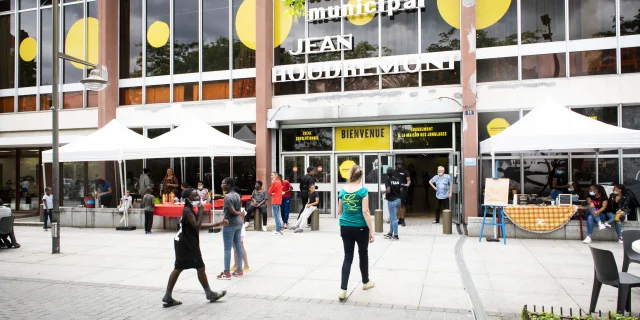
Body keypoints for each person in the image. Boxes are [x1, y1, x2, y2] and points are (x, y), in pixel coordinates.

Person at [162, 188, 228, 307]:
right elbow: (197, 226)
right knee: (199, 267)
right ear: (187, 199)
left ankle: (168, 295)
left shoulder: (189, 210)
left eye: (197, 196)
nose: (198, 198)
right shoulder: (188, 211)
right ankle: (209, 293)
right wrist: (202, 211)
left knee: (179, 267)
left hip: (183, 242)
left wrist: (217, 224)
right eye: (194, 197)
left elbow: (197, 225)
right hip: (187, 244)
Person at [337, 165, 375, 302]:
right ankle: (365, 282)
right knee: (363, 254)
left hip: (345, 226)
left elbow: (339, 211)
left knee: (348, 257)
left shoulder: (342, 190)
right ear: (361, 176)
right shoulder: (363, 191)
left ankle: (343, 289)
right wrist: (371, 230)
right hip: (360, 227)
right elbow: (366, 211)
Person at [217, 177, 244, 280]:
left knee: (227, 249)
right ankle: (239, 270)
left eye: (223, 184)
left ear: (228, 185)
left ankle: (226, 272)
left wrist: (238, 213)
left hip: (229, 224)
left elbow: (233, 211)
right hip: (238, 223)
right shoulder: (237, 195)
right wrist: (239, 214)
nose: (221, 185)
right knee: (238, 246)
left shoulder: (227, 197)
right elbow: (238, 209)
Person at [384, 169, 402, 240]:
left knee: (394, 219)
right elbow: (401, 189)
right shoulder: (398, 179)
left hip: (392, 201)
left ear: (387, 174)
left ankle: (396, 235)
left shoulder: (388, 180)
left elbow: (388, 190)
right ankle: (390, 233)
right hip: (398, 200)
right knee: (392, 217)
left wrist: (383, 192)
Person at [395, 159, 411, 227]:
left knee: (402, 205)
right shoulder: (394, 172)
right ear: (396, 165)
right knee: (397, 205)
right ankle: (399, 219)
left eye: (400, 164)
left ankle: (403, 219)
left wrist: (408, 184)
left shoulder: (405, 172)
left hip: (403, 190)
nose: (399, 165)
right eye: (398, 164)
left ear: (402, 165)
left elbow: (408, 180)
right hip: (395, 190)